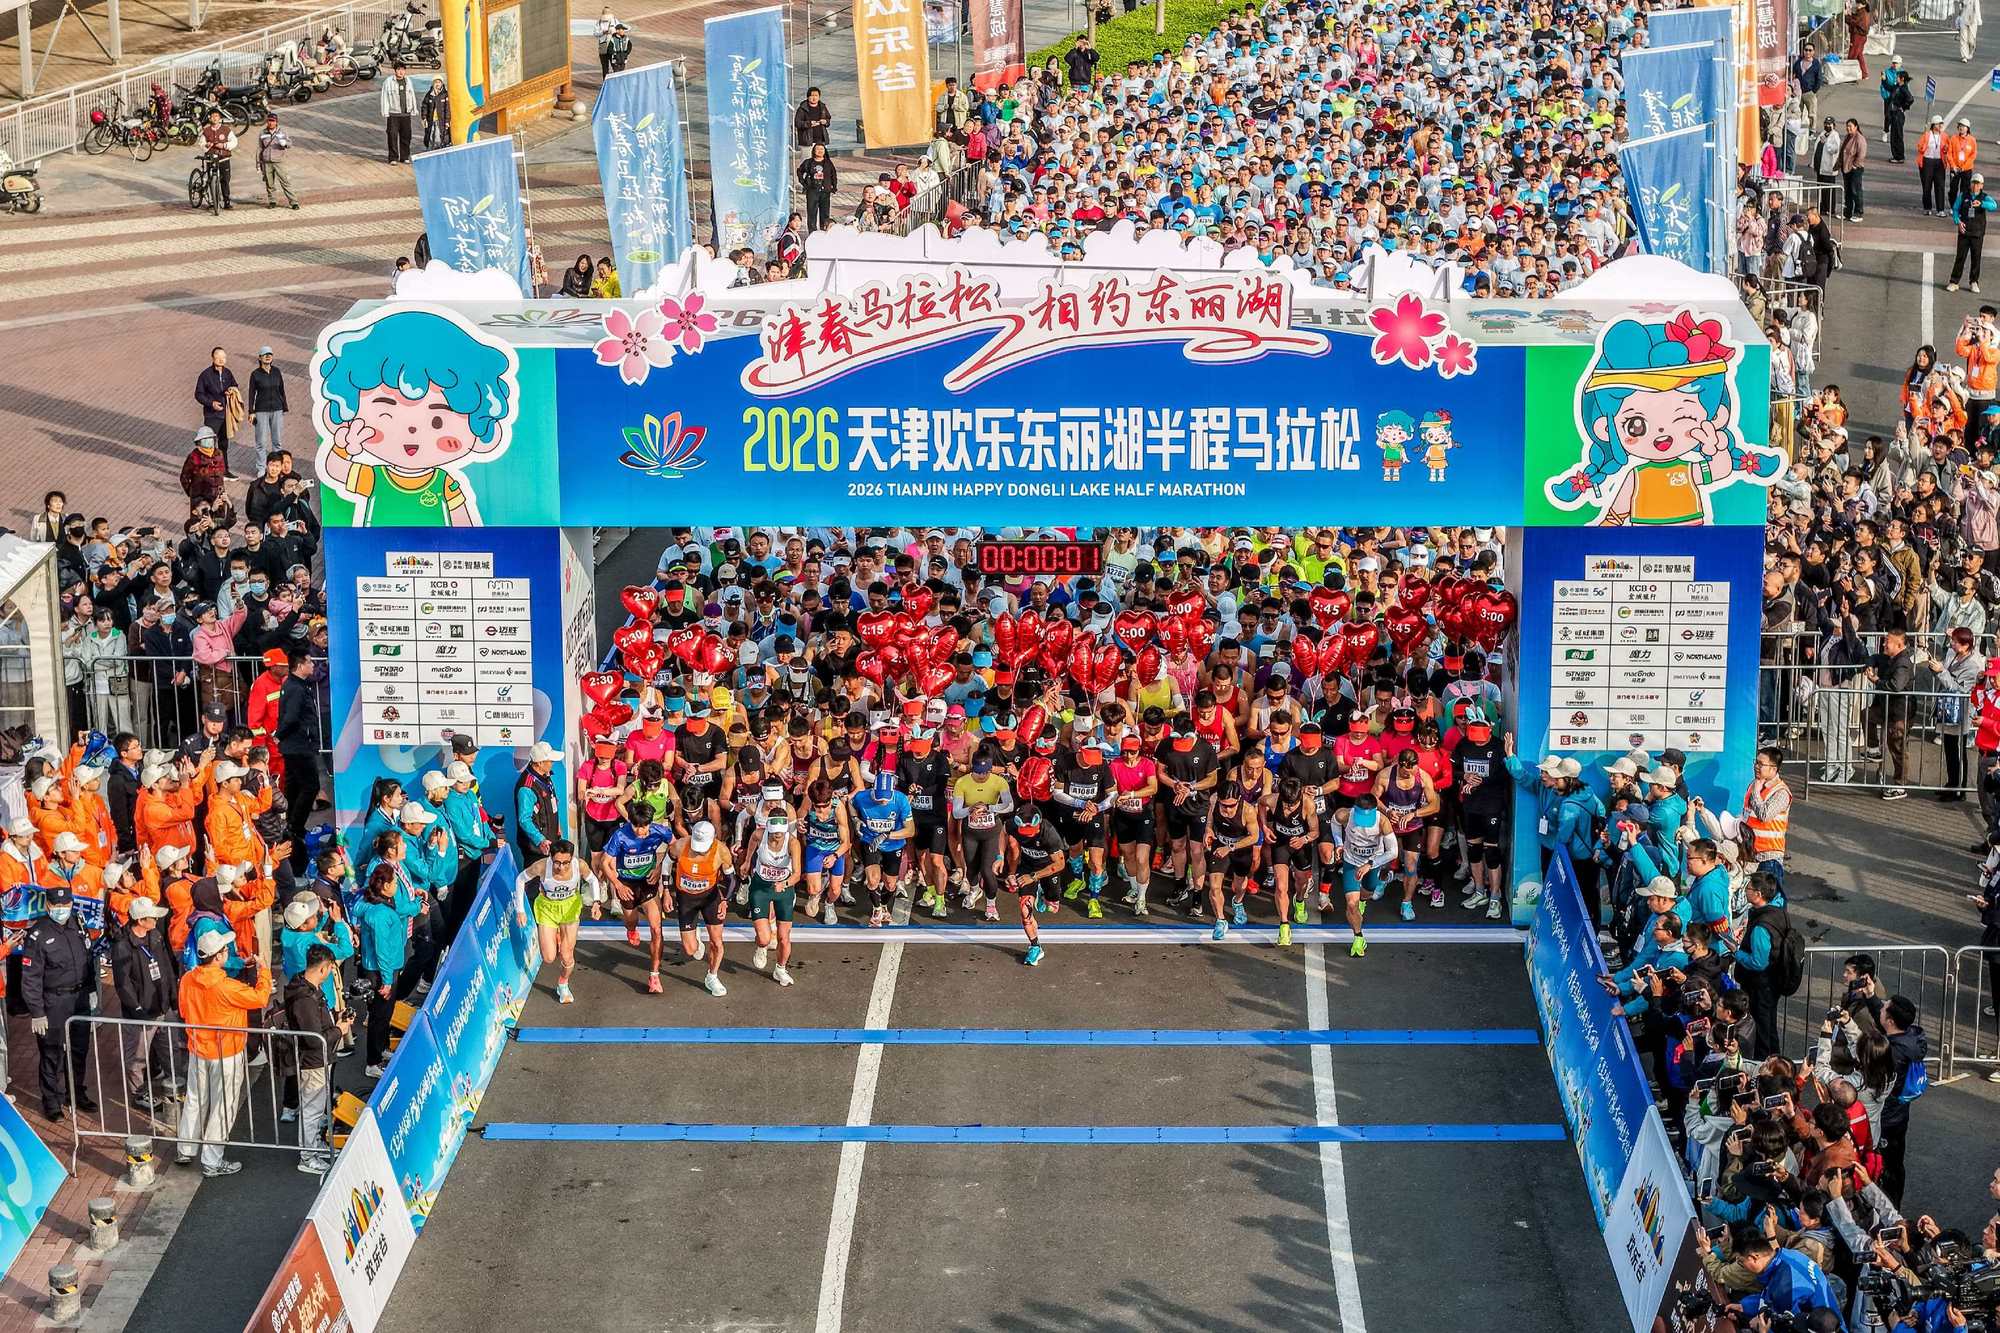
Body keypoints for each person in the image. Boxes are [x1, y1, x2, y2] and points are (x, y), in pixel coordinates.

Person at [175, 929, 272, 1175]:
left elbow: (184, 1011)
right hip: (226, 1052)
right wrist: (264, 970)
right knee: (223, 1105)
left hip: (198, 1048)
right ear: (218, 956)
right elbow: (261, 998)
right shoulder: (228, 987)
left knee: (195, 1099)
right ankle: (212, 1160)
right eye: (225, 950)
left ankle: (186, 1148)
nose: (228, 952)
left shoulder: (187, 979)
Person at [20, 886, 98, 1122]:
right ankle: (51, 1102)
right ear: (48, 906)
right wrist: (37, 1012)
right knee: (51, 1053)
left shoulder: (78, 924)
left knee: (79, 1050)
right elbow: (31, 978)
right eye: (57, 905)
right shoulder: (38, 934)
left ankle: (75, 1093)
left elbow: (87, 960)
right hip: (53, 1001)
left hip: (80, 997)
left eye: (66, 905)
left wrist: (92, 990)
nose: (62, 909)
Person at [283, 943, 348, 1174]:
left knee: (316, 1108)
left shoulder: (304, 987)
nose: (331, 972)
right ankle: (307, 1156)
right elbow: (313, 1038)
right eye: (330, 968)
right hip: (313, 1061)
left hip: (317, 1059)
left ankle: (313, 1146)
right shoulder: (305, 998)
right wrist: (339, 1030)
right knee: (312, 1110)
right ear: (323, 968)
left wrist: (336, 1023)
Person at [110, 896, 178, 1114]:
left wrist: (173, 996)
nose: (156, 921)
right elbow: (123, 983)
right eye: (152, 917)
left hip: (162, 1006)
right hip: (142, 1012)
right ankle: (138, 1093)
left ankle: (175, 1083)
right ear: (140, 920)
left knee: (169, 1048)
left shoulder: (155, 936)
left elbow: (166, 967)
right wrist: (136, 1009)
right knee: (137, 1056)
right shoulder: (122, 945)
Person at [597, 800, 673, 993]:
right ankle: (631, 929)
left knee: (656, 928)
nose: (641, 831)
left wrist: (660, 867)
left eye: (645, 826)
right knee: (631, 921)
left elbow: (676, 846)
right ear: (630, 822)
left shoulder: (658, 831)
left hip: (648, 883)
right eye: (637, 826)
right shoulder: (620, 835)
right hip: (627, 885)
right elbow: (604, 863)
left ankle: (654, 976)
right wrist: (618, 885)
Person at [668, 821, 732, 996]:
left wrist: (725, 900)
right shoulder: (680, 845)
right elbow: (667, 862)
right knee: (690, 950)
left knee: (717, 942)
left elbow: (731, 879)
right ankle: (695, 934)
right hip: (686, 899)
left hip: (710, 898)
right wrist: (665, 890)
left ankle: (712, 976)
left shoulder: (721, 850)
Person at [274, 648, 321, 872]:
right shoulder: (295, 688)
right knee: (311, 786)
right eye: (310, 662)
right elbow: (291, 717)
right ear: (300, 665)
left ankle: (292, 825)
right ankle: (295, 825)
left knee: (294, 786)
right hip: (298, 746)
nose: (313, 665)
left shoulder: (296, 685)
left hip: (296, 745)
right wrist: (279, 734)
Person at [745, 813, 801, 986]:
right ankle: (761, 947)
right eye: (774, 832)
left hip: (783, 889)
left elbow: (797, 874)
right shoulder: (759, 834)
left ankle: (780, 969)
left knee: (784, 937)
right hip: (761, 887)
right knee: (764, 938)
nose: (777, 835)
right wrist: (747, 861)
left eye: (780, 832)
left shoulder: (792, 843)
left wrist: (785, 883)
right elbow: (752, 843)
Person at [1949, 174, 1998, 293]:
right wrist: (1958, 221)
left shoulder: (1984, 197)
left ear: (1981, 185)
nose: (1975, 186)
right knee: (1960, 257)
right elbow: (1955, 209)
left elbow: (1994, 206)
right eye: (1973, 183)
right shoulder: (1963, 195)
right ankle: (1954, 281)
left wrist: (1982, 204)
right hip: (1964, 231)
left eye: (1977, 183)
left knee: (1976, 257)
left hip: (1977, 232)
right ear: (1970, 183)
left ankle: (1974, 281)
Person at [194, 346, 238, 464]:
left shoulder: (227, 373)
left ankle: (224, 469)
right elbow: (198, 394)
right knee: (208, 443)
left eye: (223, 357)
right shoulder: (205, 375)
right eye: (218, 357)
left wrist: (231, 391)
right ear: (213, 358)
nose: (221, 360)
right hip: (212, 415)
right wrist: (211, 403)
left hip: (226, 414)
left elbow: (235, 385)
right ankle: (208, 468)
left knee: (224, 444)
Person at [257, 114, 298, 211]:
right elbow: (259, 149)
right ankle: (272, 201)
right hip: (266, 162)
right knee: (269, 183)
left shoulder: (282, 132)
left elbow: (290, 144)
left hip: (279, 161)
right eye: (269, 121)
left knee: (285, 182)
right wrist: (258, 163)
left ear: (276, 122)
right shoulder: (262, 133)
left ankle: (294, 202)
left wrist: (285, 144)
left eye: (273, 121)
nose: (270, 123)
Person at [380, 61, 418, 164]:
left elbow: (412, 95)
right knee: (392, 135)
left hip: (406, 113)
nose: (401, 72)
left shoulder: (408, 81)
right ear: (395, 71)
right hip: (393, 114)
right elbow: (384, 97)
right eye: (399, 70)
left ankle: (404, 156)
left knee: (406, 136)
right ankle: (393, 158)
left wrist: (413, 109)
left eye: (403, 70)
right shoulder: (388, 82)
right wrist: (385, 111)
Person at [198, 108, 236, 211]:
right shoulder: (206, 131)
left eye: (216, 116)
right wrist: (207, 145)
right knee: (211, 180)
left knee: (225, 180)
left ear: (220, 118)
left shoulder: (226, 130)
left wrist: (224, 145)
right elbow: (201, 143)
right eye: (212, 116)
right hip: (211, 159)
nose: (214, 118)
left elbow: (234, 142)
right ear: (210, 118)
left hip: (224, 158)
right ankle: (213, 201)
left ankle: (226, 201)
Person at [798, 143, 837, 233]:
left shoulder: (828, 163)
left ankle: (824, 232)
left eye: (822, 149)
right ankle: (812, 233)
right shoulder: (808, 162)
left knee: (825, 213)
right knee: (812, 213)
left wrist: (834, 186)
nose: (820, 151)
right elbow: (799, 171)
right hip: (812, 191)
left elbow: (833, 175)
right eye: (817, 149)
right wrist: (804, 183)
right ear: (814, 151)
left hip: (825, 191)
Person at [1841, 117, 1868, 223]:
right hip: (1846, 168)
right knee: (1847, 191)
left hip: (1855, 169)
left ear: (1856, 127)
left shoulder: (1860, 139)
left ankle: (1858, 212)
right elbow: (1842, 151)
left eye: (1850, 126)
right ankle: (1847, 212)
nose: (1848, 128)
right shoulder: (1847, 137)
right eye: (1847, 126)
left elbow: (1862, 154)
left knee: (1855, 191)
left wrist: (1855, 165)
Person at [420, 77, 450, 149]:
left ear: (442, 83)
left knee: (438, 137)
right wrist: (424, 117)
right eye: (436, 82)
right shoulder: (429, 95)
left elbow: (447, 109)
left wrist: (447, 121)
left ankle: (438, 148)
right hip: (431, 120)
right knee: (430, 135)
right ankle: (431, 148)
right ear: (433, 84)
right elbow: (424, 106)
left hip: (441, 121)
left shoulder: (445, 94)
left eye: (439, 82)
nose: (437, 84)